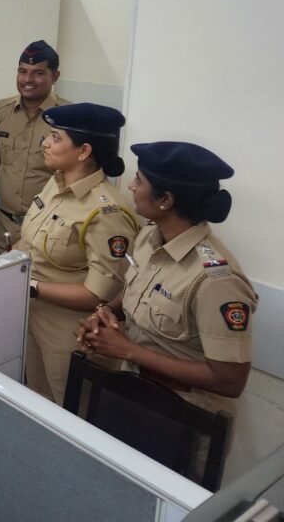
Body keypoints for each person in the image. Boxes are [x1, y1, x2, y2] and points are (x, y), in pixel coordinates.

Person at [77, 142, 256, 423]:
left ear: (165, 200)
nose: (131, 186)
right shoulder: (151, 236)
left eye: (139, 180)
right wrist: (107, 311)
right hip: (133, 390)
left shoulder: (216, 280)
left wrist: (128, 350)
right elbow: (138, 287)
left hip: (181, 415)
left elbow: (230, 381)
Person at [17, 103, 140, 405]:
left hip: (72, 333)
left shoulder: (107, 212)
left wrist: (31, 286)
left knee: (70, 410)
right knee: (37, 401)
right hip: (33, 315)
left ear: (84, 151)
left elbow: (97, 294)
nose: (45, 143)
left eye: (55, 137)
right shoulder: (55, 183)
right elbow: (30, 241)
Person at [0, 40, 70, 256]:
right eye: (22, 71)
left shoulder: (69, 118)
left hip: (49, 226)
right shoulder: (1, 112)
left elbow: (76, 176)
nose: (27, 80)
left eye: (38, 73)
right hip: (4, 225)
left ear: (55, 76)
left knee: (41, 278)